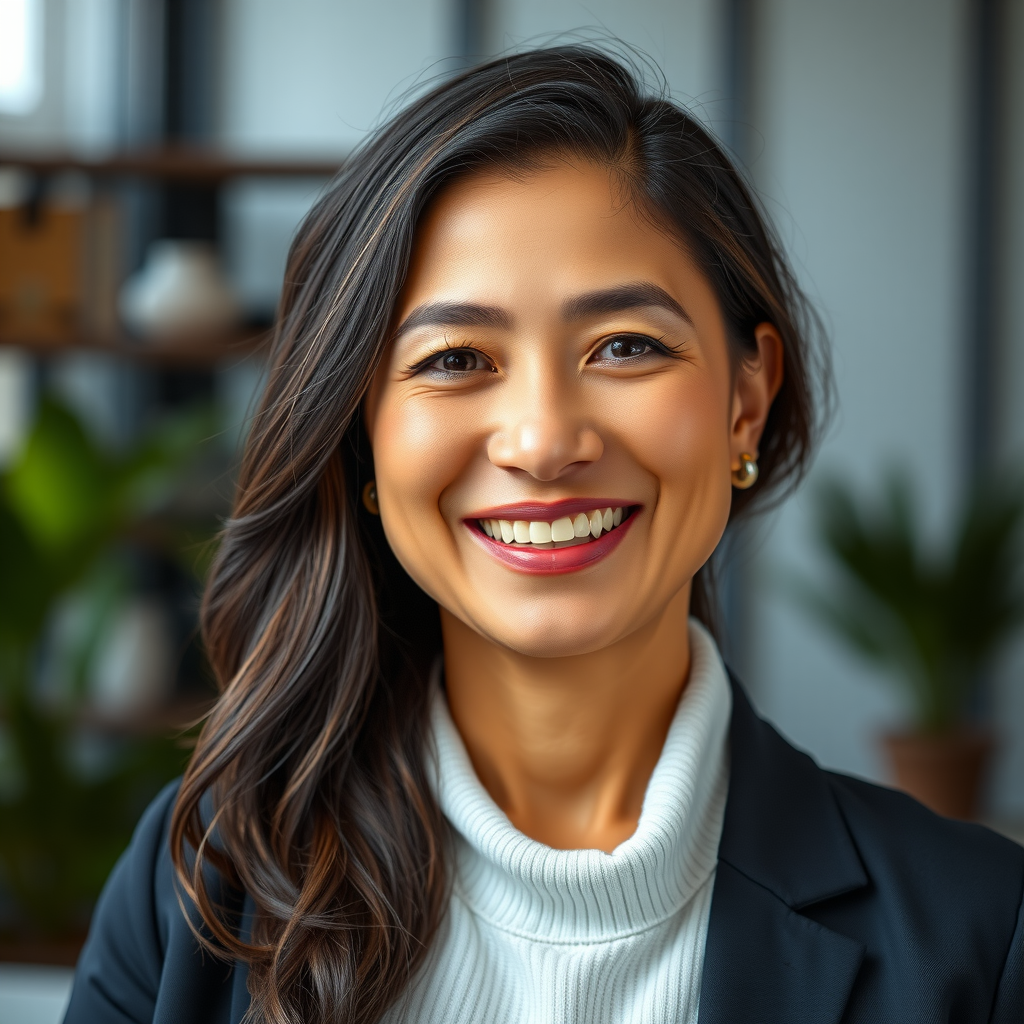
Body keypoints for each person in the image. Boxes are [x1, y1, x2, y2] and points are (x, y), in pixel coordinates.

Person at [64, 47, 1022, 1024]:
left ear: (746, 396)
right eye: (456, 358)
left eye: (625, 347)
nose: (543, 440)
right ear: (359, 435)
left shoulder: (979, 938)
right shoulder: (199, 892)